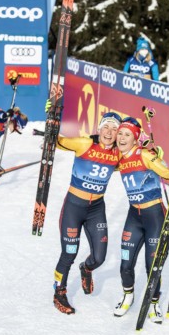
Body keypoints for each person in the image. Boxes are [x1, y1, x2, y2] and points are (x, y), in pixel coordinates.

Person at [113, 118, 169, 324]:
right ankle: (128, 296)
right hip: (134, 216)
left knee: (153, 266)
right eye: (120, 133)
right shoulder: (118, 158)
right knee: (125, 264)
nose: (121, 138)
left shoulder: (145, 155)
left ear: (135, 138)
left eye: (127, 135)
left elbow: (164, 172)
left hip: (154, 216)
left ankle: (154, 303)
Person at [53, 111, 123, 315]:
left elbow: (137, 160)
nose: (109, 132)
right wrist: (52, 118)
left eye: (114, 129)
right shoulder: (84, 144)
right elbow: (57, 141)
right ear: (99, 128)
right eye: (106, 127)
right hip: (74, 206)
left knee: (99, 257)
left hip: (96, 209)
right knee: (69, 253)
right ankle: (59, 292)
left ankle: (86, 269)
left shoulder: (117, 153)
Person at [0, 106, 28, 172]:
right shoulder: (4, 117)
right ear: (15, 123)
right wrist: (3, 115)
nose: (16, 130)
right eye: (18, 128)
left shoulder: (3, 129)